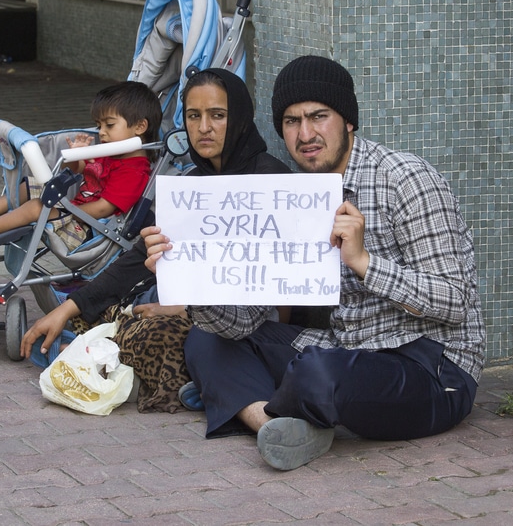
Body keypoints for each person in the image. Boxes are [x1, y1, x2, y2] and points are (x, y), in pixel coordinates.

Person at [142, 55, 486, 470]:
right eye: (291, 121)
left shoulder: (405, 179)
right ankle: (269, 423)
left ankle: (244, 398)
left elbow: (454, 302)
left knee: (317, 374)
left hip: (431, 367)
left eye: (318, 116)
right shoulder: (294, 196)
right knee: (206, 338)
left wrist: (363, 262)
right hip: (344, 348)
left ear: (348, 121)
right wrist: (187, 277)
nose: (305, 134)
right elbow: (246, 320)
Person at [19, 68, 290, 412]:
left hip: (249, 322)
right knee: (103, 312)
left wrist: (185, 309)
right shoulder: (193, 182)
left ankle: (191, 382)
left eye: (217, 115)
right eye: (193, 115)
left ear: (239, 118)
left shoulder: (272, 180)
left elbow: (278, 287)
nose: (203, 127)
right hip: (192, 304)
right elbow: (136, 258)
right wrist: (66, 308)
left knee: (155, 332)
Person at [0, 82, 162, 244]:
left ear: (140, 127)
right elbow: (85, 172)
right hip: (76, 210)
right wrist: (76, 159)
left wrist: (66, 211)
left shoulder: (135, 170)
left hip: (89, 227)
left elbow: (105, 207)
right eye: (99, 125)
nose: (101, 132)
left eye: (109, 125)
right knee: (32, 184)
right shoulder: (111, 151)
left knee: (37, 207)